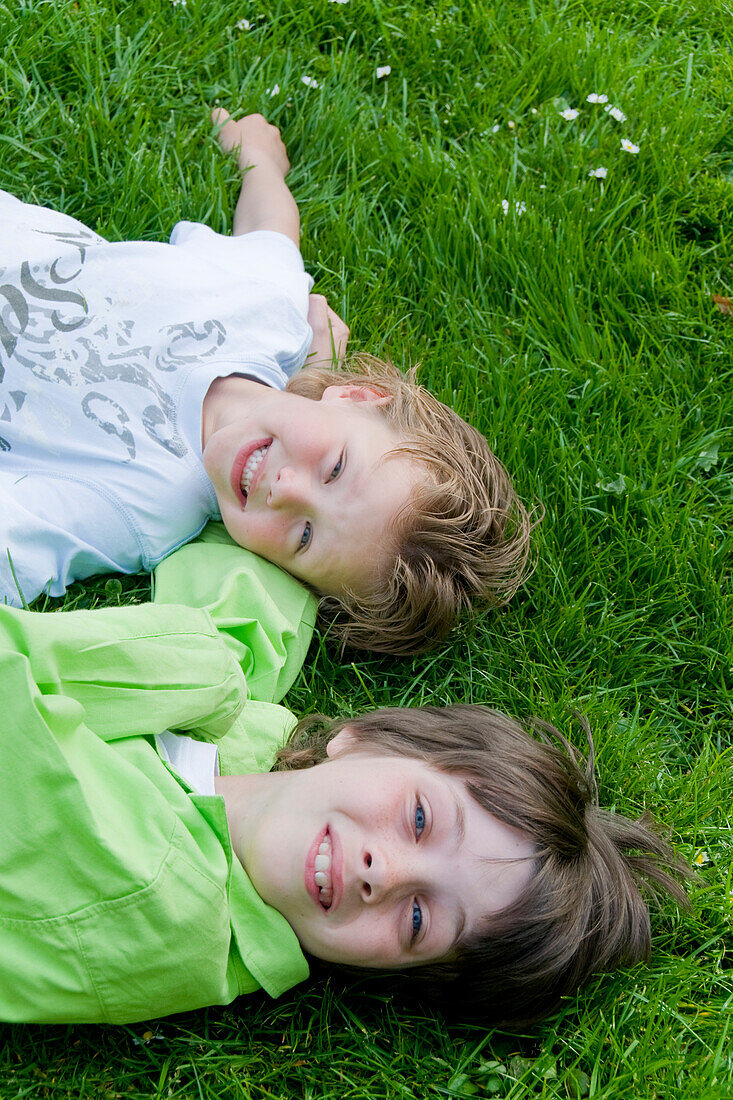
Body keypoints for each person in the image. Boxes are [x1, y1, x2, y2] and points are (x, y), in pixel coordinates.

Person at [0, 597, 689, 1027]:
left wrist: (192, 660)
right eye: (419, 820)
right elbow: (255, 607)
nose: (380, 871)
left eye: (418, 918)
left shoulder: (157, 898)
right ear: (362, 736)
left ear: (394, 973)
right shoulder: (246, 742)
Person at [0, 110, 533, 654]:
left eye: (304, 537)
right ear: (355, 395)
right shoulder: (267, 308)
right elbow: (270, 233)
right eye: (334, 469)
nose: (287, 491)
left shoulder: (146, 505)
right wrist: (259, 160)